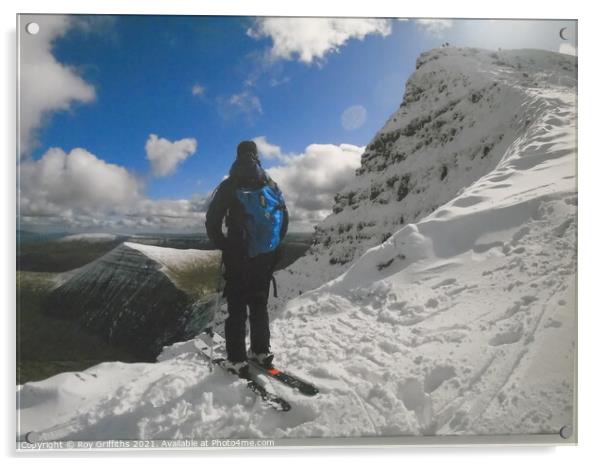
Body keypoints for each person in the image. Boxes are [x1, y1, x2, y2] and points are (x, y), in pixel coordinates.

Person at [205, 140, 288, 378]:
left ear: (238, 155)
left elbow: (212, 221)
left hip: (239, 256)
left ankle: (237, 360)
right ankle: (261, 353)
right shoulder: (270, 184)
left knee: (237, 308)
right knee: (259, 305)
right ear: (257, 155)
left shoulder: (230, 185)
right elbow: (284, 219)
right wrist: (272, 247)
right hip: (265, 256)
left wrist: (225, 246)